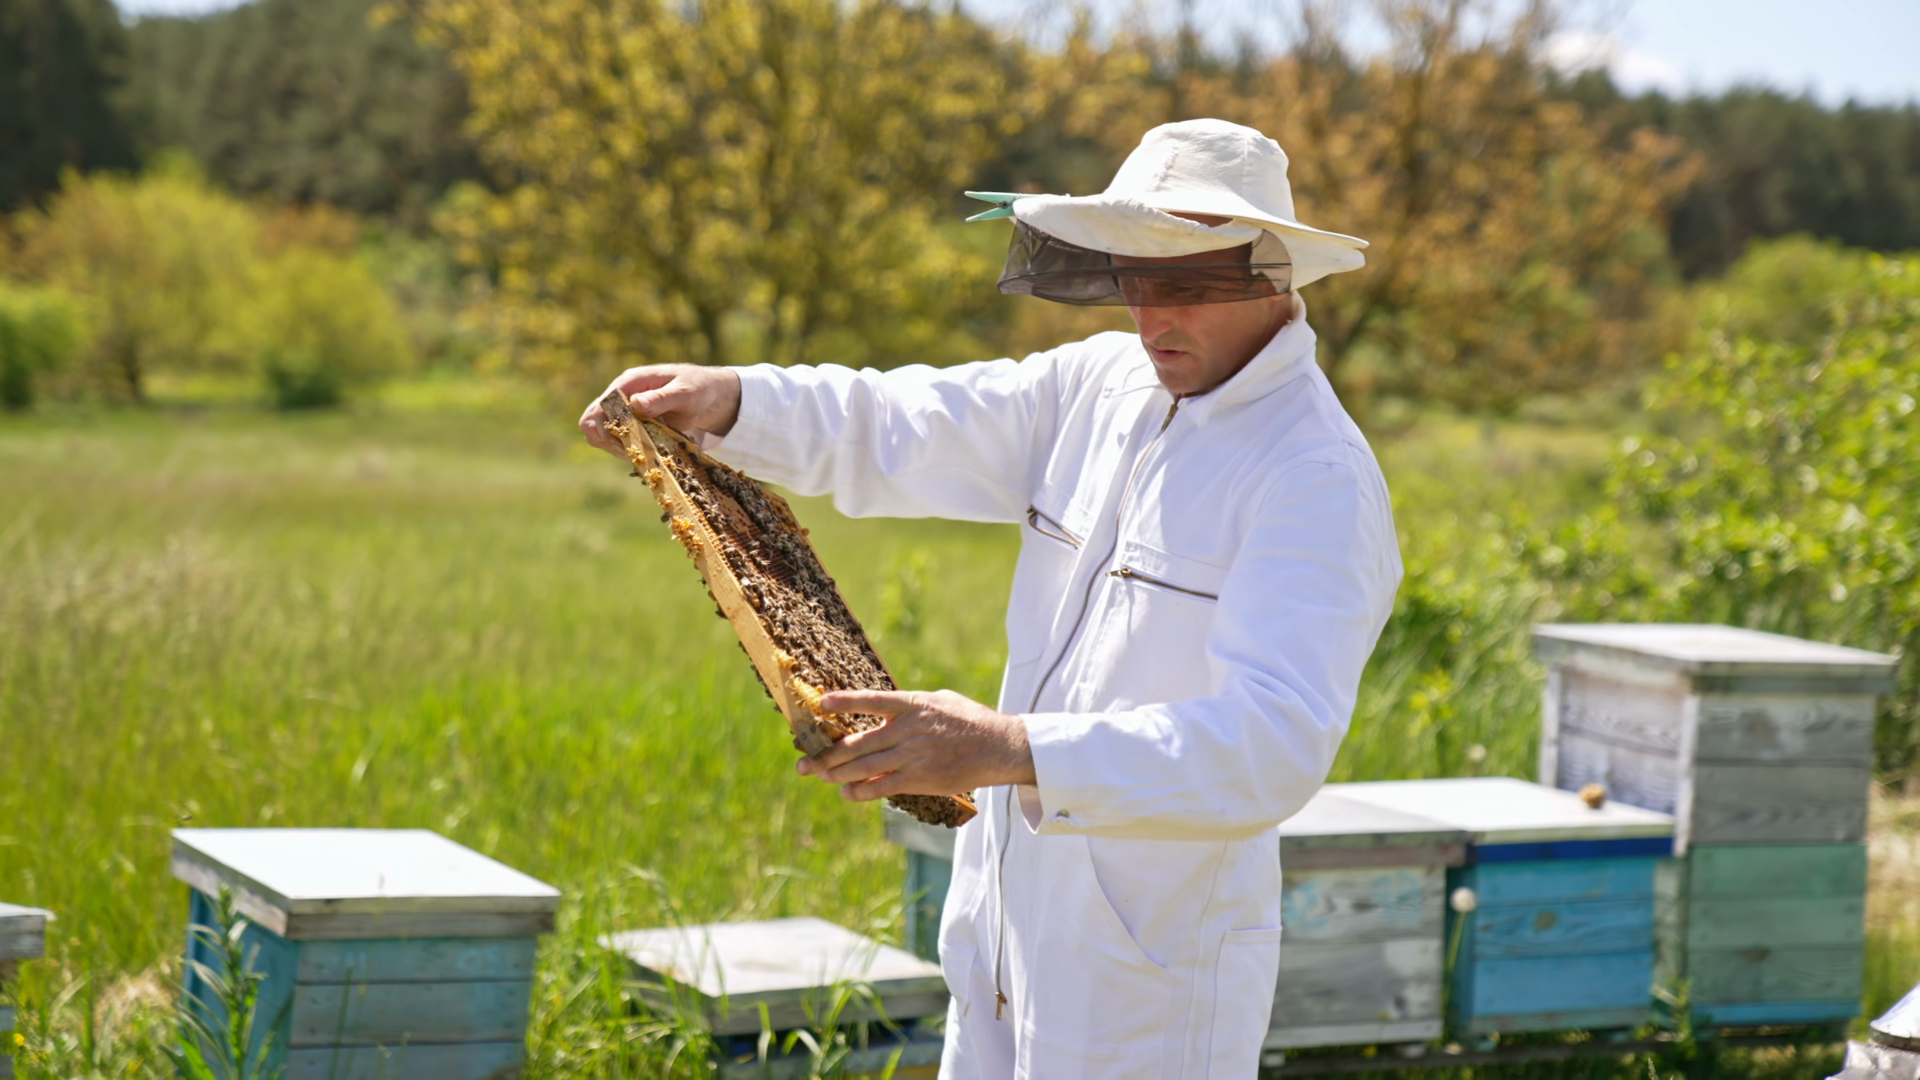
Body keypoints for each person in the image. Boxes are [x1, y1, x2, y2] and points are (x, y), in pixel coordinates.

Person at [581, 119, 1402, 1079]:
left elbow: (1272, 744)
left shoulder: (1315, 476)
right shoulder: (1097, 384)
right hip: (1003, 929)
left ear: (1270, 276)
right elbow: (906, 420)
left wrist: (1010, 748)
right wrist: (735, 400)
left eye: (1186, 287)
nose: (1152, 321)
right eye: (1135, 282)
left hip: (1154, 979)